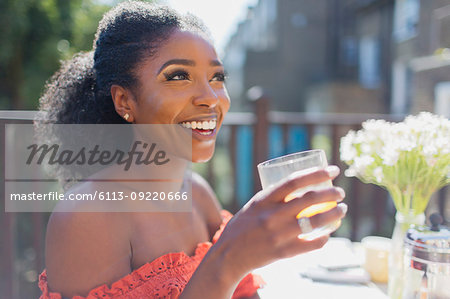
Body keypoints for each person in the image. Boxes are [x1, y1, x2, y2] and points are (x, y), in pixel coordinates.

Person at [37, 2, 347, 298]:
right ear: (125, 102)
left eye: (217, 77)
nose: (211, 98)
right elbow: (226, 273)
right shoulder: (86, 214)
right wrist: (227, 260)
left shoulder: (197, 192)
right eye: (179, 76)